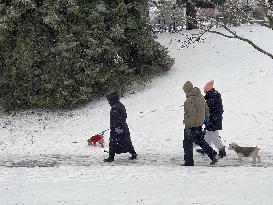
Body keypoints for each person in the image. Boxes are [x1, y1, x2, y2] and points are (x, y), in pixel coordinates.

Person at [182, 81, 218, 166]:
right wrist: (206, 118)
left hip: (191, 125)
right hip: (199, 123)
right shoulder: (200, 96)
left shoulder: (190, 99)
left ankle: (189, 162)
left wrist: (189, 125)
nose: (184, 92)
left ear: (187, 90)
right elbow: (206, 109)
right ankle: (212, 154)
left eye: (185, 91)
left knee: (187, 143)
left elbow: (191, 113)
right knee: (200, 140)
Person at [104, 90, 137, 162]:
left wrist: (116, 128)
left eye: (109, 99)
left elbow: (116, 119)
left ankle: (111, 157)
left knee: (113, 142)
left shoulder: (115, 108)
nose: (108, 101)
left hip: (118, 128)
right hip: (123, 127)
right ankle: (133, 153)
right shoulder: (120, 105)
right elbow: (124, 116)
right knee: (126, 141)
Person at [196, 80, 226, 157]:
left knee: (213, 135)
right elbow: (205, 98)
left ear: (208, 91)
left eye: (205, 91)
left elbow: (210, 108)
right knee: (209, 134)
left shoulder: (213, 97)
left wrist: (211, 119)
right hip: (213, 118)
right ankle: (205, 149)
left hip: (214, 119)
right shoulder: (212, 95)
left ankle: (222, 150)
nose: (205, 93)